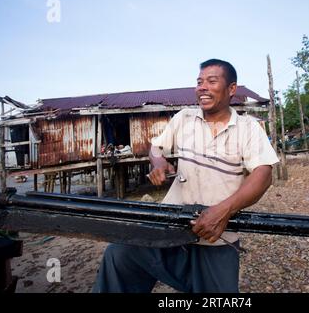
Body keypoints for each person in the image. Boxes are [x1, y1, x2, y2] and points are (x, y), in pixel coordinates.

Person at [92, 59, 279, 293]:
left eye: (212, 81)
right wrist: (159, 162)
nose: (202, 87)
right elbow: (156, 147)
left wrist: (223, 211)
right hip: (171, 224)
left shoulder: (248, 128)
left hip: (215, 234)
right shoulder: (184, 118)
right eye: (199, 81)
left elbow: (263, 174)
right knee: (120, 254)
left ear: (231, 89)